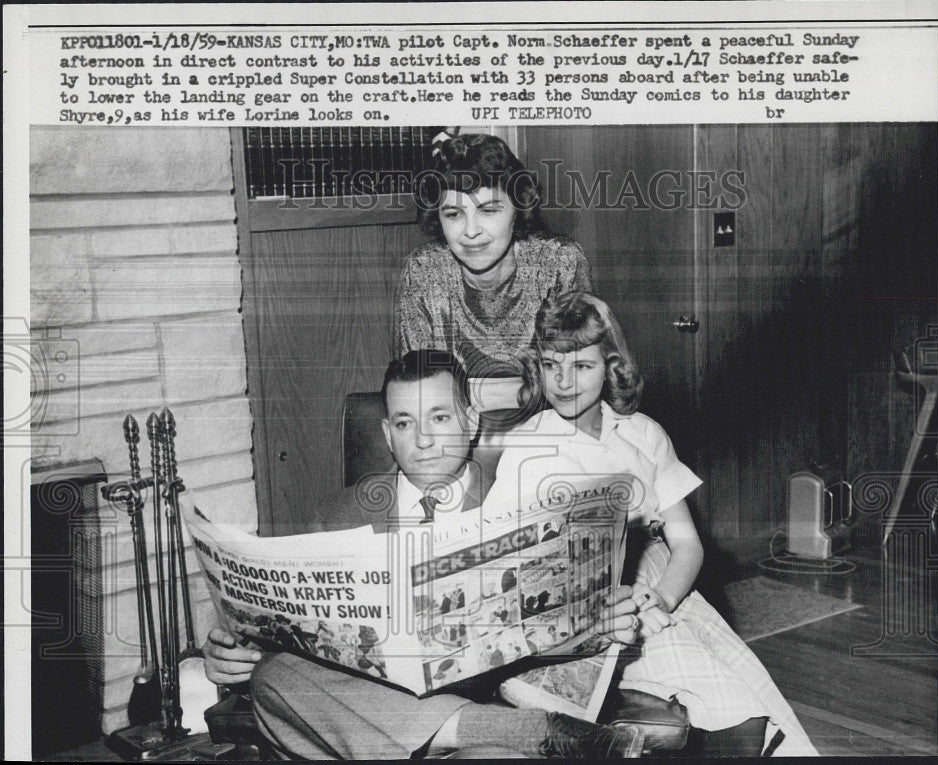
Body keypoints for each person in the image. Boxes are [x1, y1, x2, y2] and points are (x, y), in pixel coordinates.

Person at [201, 349, 646, 759]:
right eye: (404, 422)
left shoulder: (521, 506)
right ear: (387, 434)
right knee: (273, 677)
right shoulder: (335, 516)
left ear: (470, 422)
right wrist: (232, 653)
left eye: (439, 417)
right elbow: (280, 642)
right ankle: (520, 731)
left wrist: (599, 624)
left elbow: (547, 632)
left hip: (473, 699)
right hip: (368, 706)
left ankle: (463, 733)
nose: (424, 440)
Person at [489, 292, 818, 757]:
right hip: (575, 610)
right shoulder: (526, 447)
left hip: (658, 591)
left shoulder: (644, 433)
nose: (562, 382)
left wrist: (662, 599)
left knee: (744, 710)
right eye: (549, 366)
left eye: (581, 367)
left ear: (611, 365)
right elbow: (508, 561)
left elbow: (688, 546)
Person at [394, 132, 593, 380]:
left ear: (518, 208)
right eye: (454, 214)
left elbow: (578, 380)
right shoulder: (425, 270)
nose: (471, 231)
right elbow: (419, 390)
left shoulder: (558, 262)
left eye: (488, 210)